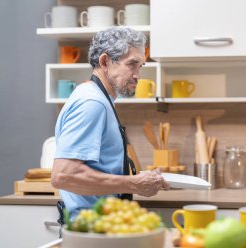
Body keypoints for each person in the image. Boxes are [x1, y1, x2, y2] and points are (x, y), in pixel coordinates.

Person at [51, 26, 170, 220]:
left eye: (140, 66)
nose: (137, 75)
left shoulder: (99, 99)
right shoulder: (92, 103)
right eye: (132, 64)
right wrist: (133, 184)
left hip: (100, 225)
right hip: (90, 230)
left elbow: (100, 166)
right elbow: (63, 176)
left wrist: (140, 178)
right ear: (105, 61)